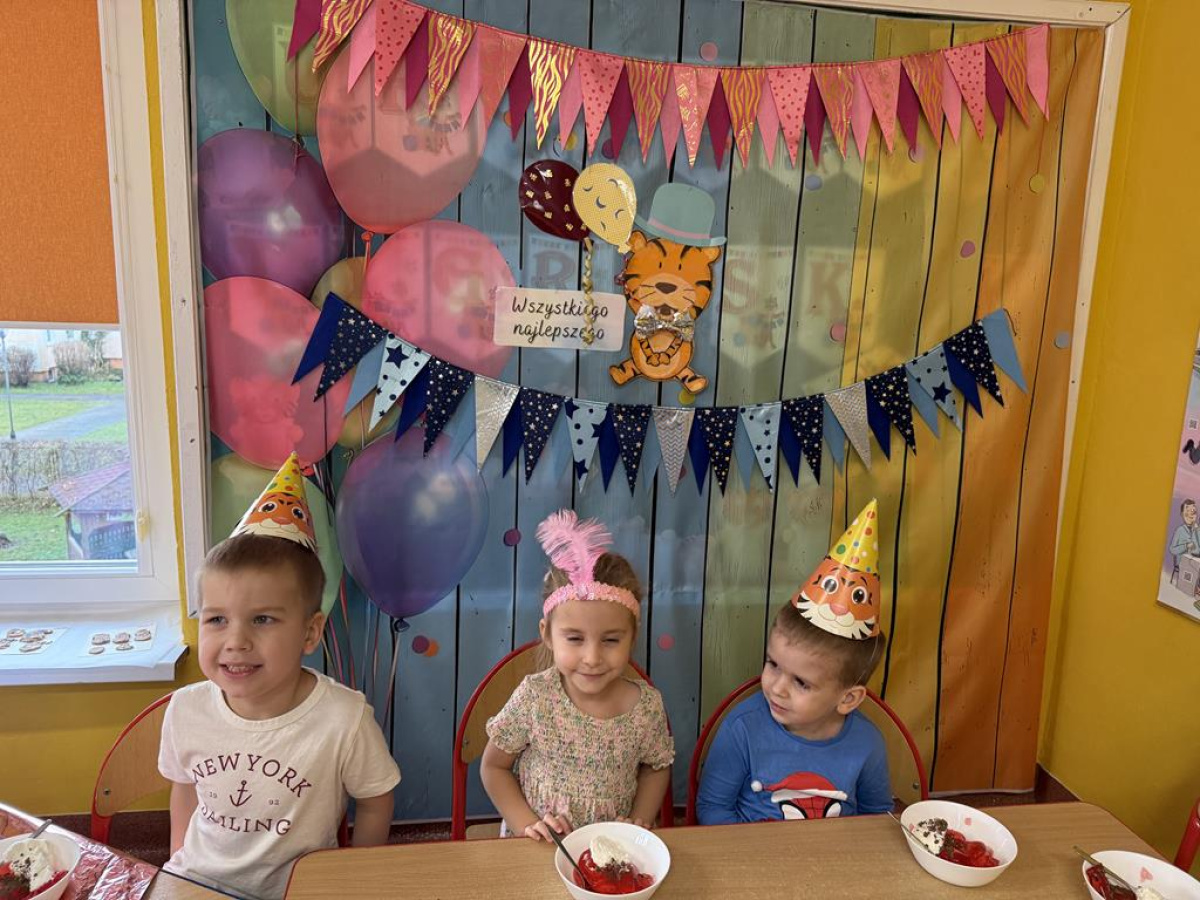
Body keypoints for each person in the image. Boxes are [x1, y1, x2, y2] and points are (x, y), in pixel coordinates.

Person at [158, 454, 400, 900]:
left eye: (263, 619)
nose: (236, 641)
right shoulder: (185, 709)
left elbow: (375, 798)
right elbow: (185, 789)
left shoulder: (344, 718)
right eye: (216, 619)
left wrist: (356, 878)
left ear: (310, 632)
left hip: (300, 889)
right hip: (197, 882)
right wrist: (179, 870)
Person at [480, 510, 675, 841]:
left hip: (613, 849)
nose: (592, 658)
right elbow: (493, 768)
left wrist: (639, 820)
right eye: (574, 638)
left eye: (610, 640)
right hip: (539, 847)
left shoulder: (646, 707)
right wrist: (527, 825)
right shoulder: (535, 698)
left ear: (632, 637)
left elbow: (656, 767)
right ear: (547, 633)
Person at [697, 500, 893, 824]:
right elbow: (713, 808)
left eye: (801, 682)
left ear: (848, 698)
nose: (777, 688)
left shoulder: (867, 744)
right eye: (773, 664)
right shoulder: (742, 728)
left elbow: (877, 818)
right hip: (753, 853)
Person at [1169, 499, 1200, 566]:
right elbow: (1172, 550)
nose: (1190, 514)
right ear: (1182, 514)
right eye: (1187, 511)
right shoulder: (1180, 530)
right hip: (1181, 564)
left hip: (1195, 563)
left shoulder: (1197, 530)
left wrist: (1197, 531)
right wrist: (1185, 546)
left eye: (1193, 512)